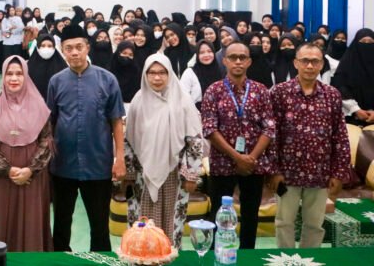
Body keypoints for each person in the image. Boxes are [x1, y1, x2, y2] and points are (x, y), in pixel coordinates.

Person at [46, 24, 125, 252]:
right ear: (63, 50)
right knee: (61, 224)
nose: (74, 52)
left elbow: (116, 121)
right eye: (68, 48)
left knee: (99, 225)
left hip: (97, 163)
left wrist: (119, 158)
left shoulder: (107, 79)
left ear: (87, 48)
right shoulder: (56, 82)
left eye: (79, 47)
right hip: (63, 165)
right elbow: (50, 122)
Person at [269, 43, 350, 249]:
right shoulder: (279, 93)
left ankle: (310, 260)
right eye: (305, 60)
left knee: (315, 225)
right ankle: (285, 260)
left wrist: (339, 172)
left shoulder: (332, 95)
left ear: (322, 64)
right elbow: (270, 135)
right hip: (287, 172)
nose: (310, 66)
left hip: (320, 172)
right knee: (284, 222)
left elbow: (340, 136)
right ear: (296, 63)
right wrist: (273, 171)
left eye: (315, 61)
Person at [201, 41, 277, 249]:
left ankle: (247, 257)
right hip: (222, 164)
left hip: (254, 163)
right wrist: (237, 157)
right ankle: (218, 255)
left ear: (249, 61)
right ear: (224, 61)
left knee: (251, 214)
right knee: (218, 213)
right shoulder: (213, 91)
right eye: (232, 57)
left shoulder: (261, 91)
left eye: (242, 57)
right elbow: (209, 128)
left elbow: (269, 128)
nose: (237, 61)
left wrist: (251, 157)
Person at [124, 54, 202, 249]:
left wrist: (191, 175)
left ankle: (170, 257)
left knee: (171, 221)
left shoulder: (182, 100)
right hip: (143, 174)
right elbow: (129, 140)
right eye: (152, 73)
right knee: (142, 225)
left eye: (162, 73)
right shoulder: (138, 100)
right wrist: (129, 172)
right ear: (145, 74)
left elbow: (194, 141)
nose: (157, 78)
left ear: (169, 75)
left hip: (174, 173)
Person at [0, 56, 53, 251]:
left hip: (32, 179)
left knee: (30, 221)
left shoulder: (39, 106)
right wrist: (7, 169)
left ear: (26, 76)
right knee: (1, 220)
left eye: (19, 73)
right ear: (3, 76)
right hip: (0, 178)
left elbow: (46, 142)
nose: (14, 78)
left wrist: (31, 170)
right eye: (9, 73)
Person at [331, 28, 374, 126]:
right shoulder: (347, 64)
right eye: (363, 42)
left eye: (370, 42)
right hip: (351, 119)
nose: (366, 45)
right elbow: (339, 87)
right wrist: (355, 109)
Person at [180, 40, 223, 109]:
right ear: (197, 55)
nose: (206, 55)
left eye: (209, 51)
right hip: (196, 115)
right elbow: (182, 97)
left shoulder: (220, 71)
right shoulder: (190, 73)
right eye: (202, 52)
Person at [27, 34, 67, 101]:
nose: (46, 48)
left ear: (54, 47)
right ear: (38, 47)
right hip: (35, 104)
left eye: (50, 46)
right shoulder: (29, 66)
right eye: (43, 46)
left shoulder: (62, 66)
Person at [110, 41, 141, 106]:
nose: (127, 56)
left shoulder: (136, 72)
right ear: (118, 53)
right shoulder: (110, 70)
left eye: (130, 55)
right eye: (124, 53)